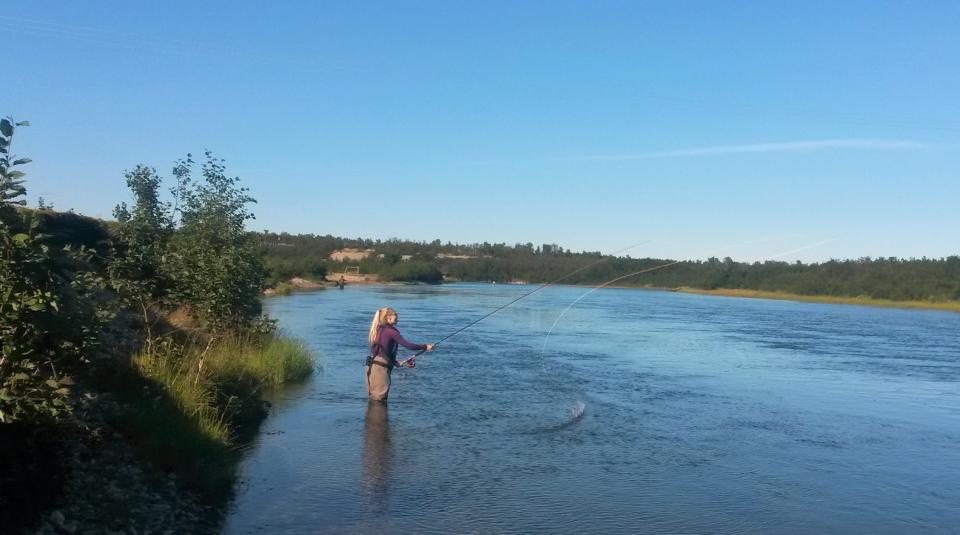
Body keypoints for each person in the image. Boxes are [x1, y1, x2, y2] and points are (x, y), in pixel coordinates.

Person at [365, 307, 433, 401]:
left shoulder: (378, 329)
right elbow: (409, 346)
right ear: (388, 318)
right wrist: (425, 346)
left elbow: (381, 350)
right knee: (379, 401)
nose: (397, 319)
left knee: (374, 400)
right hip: (380, 369)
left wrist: (394, 362)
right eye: (395, 317)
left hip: (371, 367)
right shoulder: (391, 332)